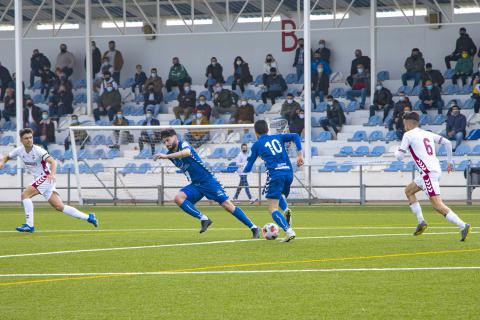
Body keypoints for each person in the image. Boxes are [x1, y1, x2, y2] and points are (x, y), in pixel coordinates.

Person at [154, 128, 260, 238]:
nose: (166, 144)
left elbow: (187, 152)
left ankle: (253, 227)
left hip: (208, 181)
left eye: (168, 140)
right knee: (178, 198)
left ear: (175, 137)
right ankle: (204, 219)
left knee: (227, 205)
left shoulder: (183, 144)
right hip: (196, 184)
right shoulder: (170, 155)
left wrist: (167, 156)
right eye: (164, 142)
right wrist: (167, 156)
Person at [0, 128, 98, 233]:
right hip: (41, 180)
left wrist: (52, 174)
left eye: (30, 137)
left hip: (45, 177)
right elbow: (7, 157)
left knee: (25, 195)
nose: (29, 140)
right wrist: (2, 162)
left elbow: (53, 162)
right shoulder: (19, 150)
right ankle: (89, 217)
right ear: (21, 140)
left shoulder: (38, 150)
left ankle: (29, 225)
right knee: (59, 206)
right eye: (26, 138)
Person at [394, 112, 471, 241]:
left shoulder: (408, 135)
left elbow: (399, 157)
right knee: (409, 191)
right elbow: (447, 142)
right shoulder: (427, 133)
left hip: (428, 173)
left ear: (408, 123)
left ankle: (463, 225)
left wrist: (396, 150)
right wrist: (450, 161)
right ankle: (421, 222)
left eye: (404, 123)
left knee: (437, 205)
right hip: (433, 171)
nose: (404, 126)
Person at [243, 120, 303, 242]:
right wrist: (300, 155)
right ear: (267, 129)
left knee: (272, 208)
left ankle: (288, 230)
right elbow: (296, 136)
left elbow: (249, 166)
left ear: (255, 132)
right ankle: (286, 209)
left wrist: (241, 171)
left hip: (276, 175)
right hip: (289, 173)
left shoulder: (257, 145)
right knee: (277, 194)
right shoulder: (277, 137)